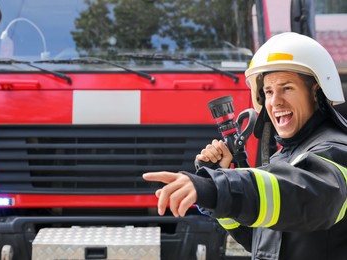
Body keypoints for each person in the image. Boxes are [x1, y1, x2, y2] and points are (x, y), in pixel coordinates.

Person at [143, 32, 347, 260]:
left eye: (287, 88)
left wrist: (216, 187)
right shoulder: (287, 157)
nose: (275, 101)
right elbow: (260, 241)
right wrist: (220, 181)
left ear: (317, 92)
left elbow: (306, 196)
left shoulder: (336, 151)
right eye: (268, 92)